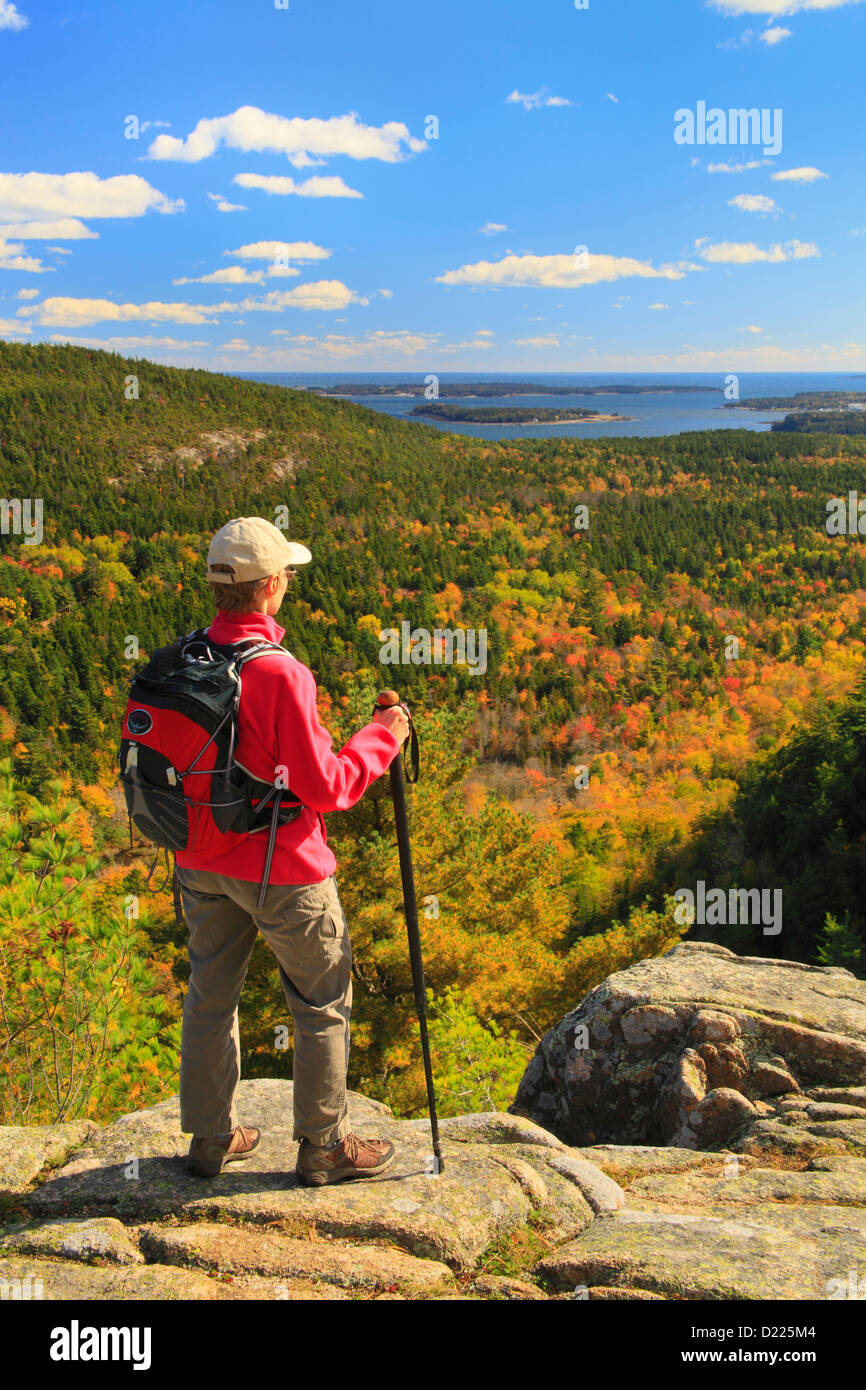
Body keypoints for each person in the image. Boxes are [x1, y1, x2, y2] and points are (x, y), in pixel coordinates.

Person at [174, 516, 409, 1185]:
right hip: (282, 867)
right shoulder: (281, 673)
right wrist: (381, 736)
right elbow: (327, 787)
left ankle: (211, 1139)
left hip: (199, 860)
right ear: (272, 586)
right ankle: (323, 1147)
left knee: (209, 998)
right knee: (320, 1001)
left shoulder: (186, 657)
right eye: (286, 576)